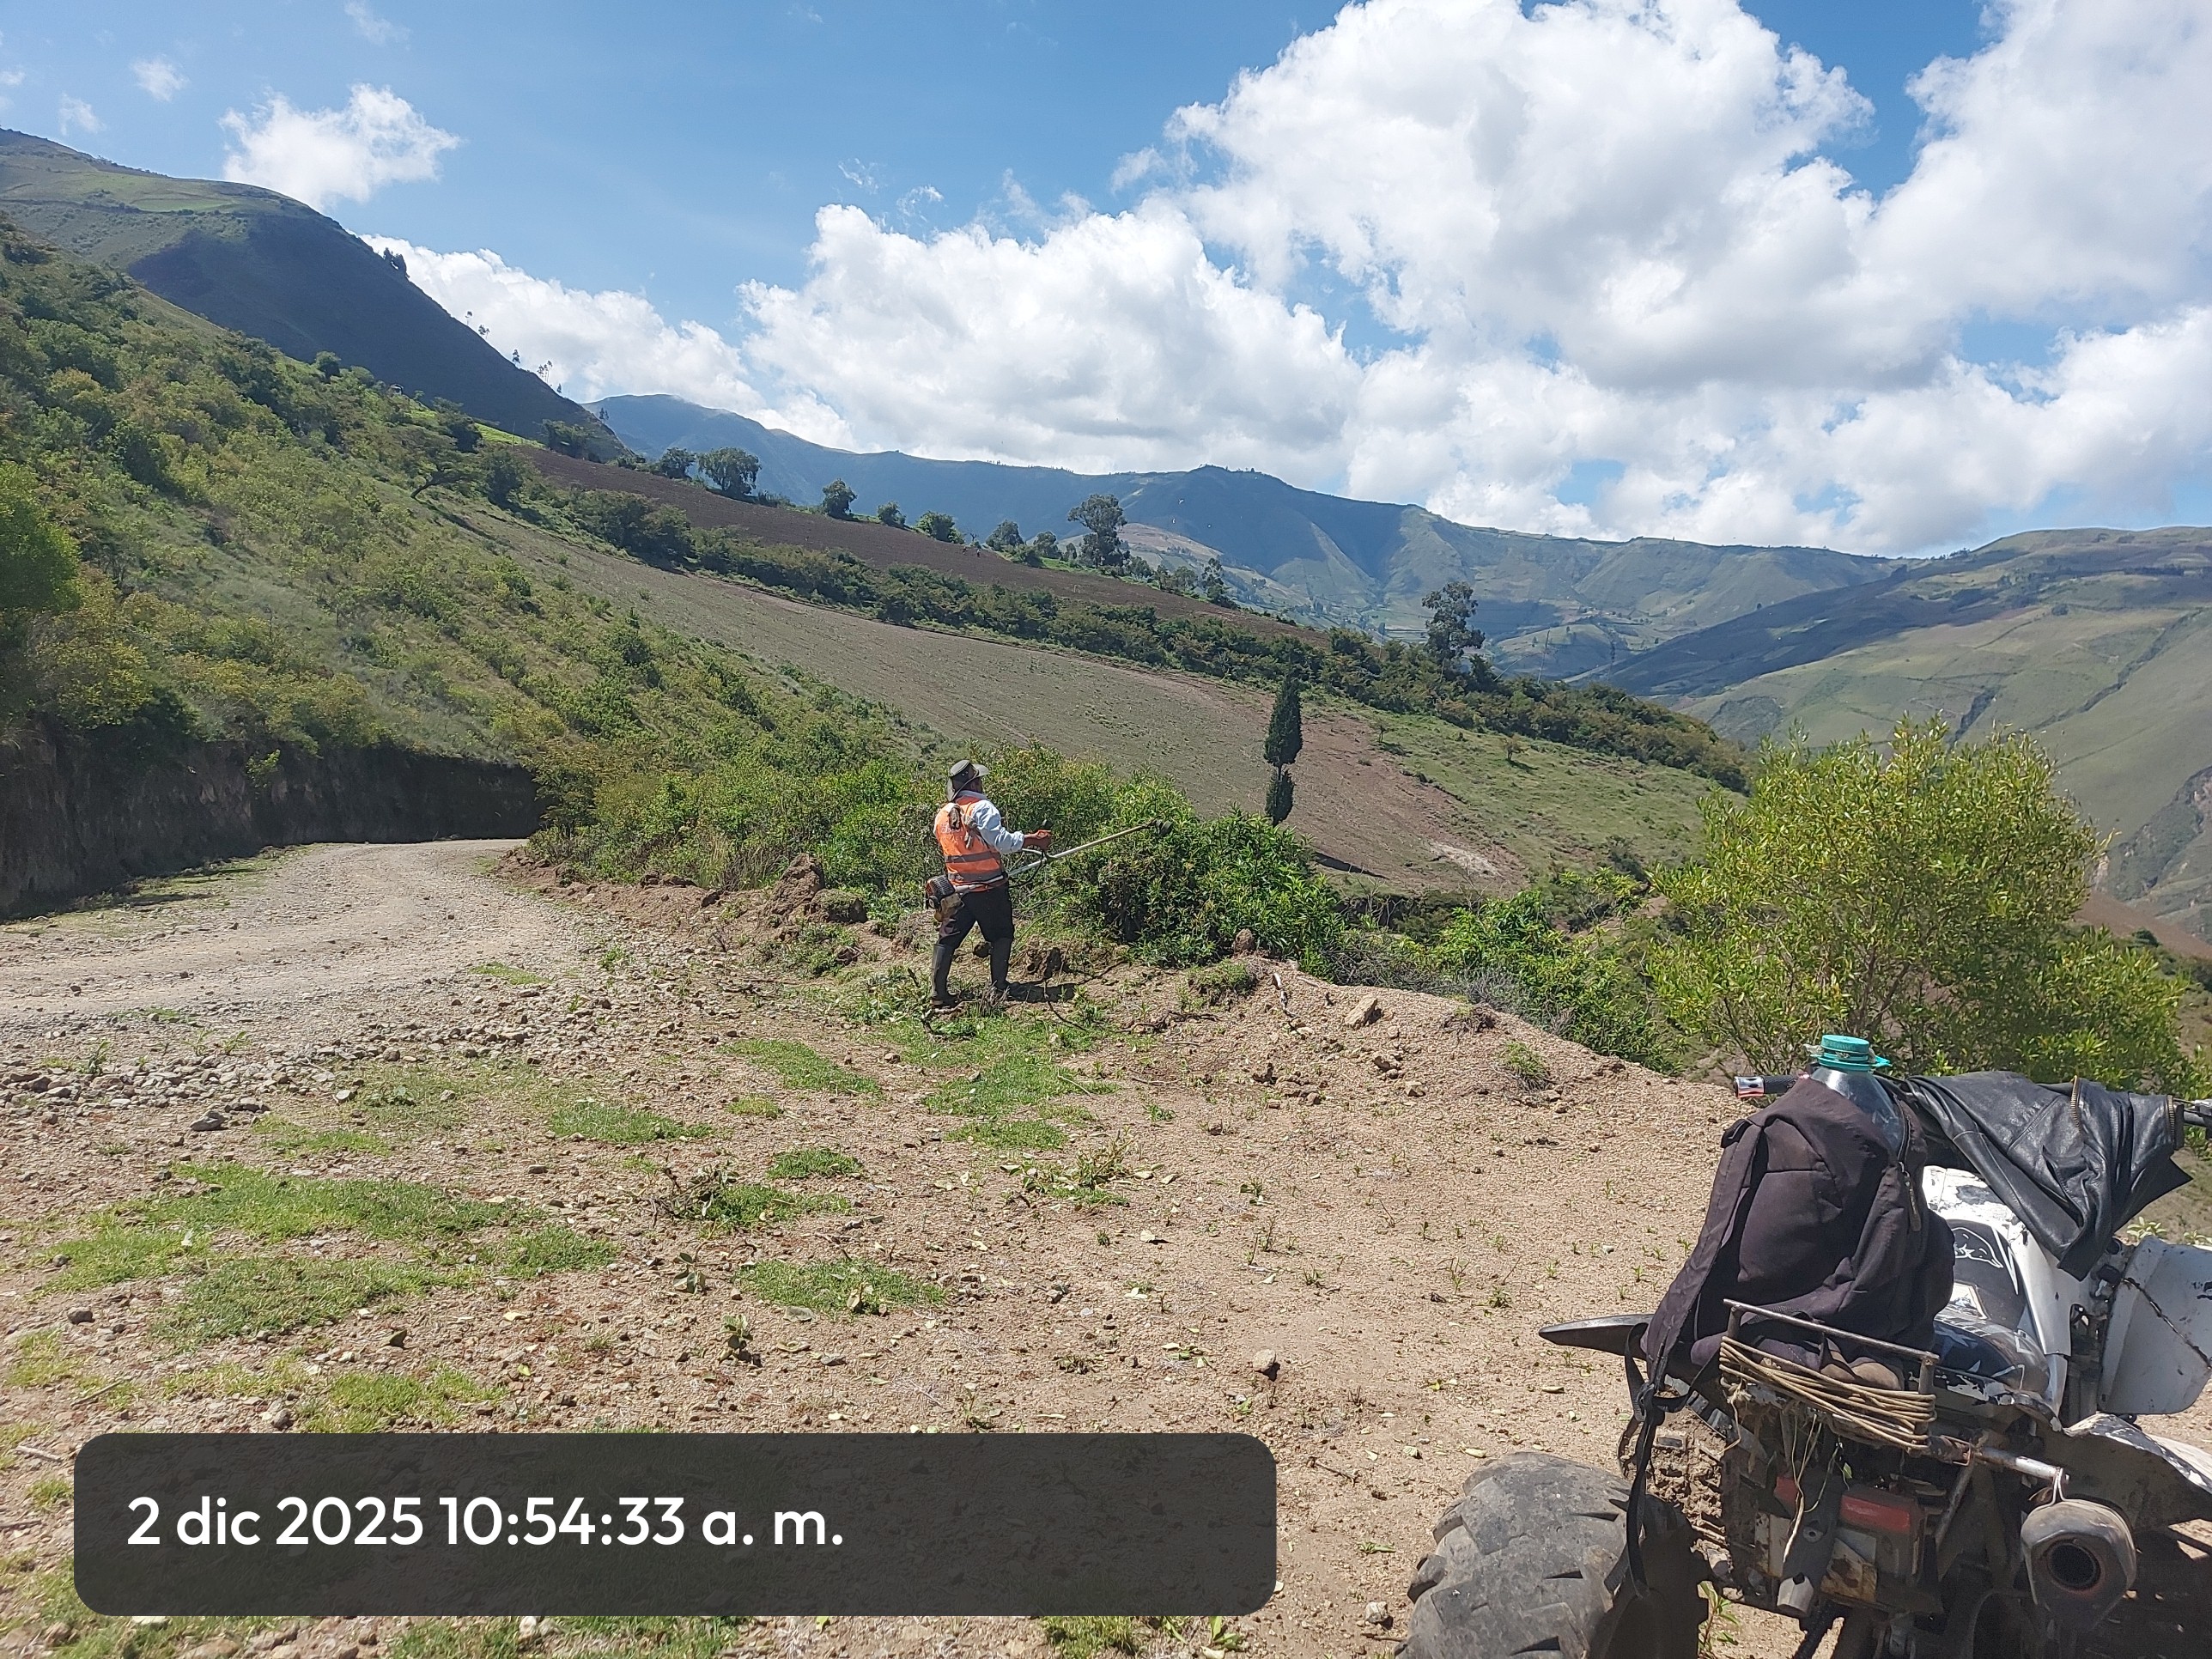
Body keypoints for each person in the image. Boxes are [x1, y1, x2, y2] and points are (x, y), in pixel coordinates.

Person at [931, 759, 1050, 1007]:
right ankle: (999, 988)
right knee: (1001, 935)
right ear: (974, 783)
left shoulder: (942, 814)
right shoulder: (982, 808)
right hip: (988, 889)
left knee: (947, 939)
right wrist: (1033, 839)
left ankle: (938, 994)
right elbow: (1002, 843)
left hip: (956, 890)